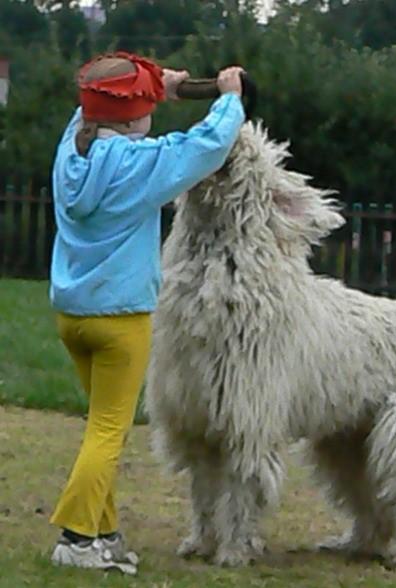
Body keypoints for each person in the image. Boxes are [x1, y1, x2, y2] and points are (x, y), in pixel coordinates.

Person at [48, 51, 246, 575]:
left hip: (72, 313)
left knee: (99, 426)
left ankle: (104, 531)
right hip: (120, 317)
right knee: (109, 431)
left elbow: (93, 110)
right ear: (137, 116)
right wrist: (229, 98)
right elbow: (203, 146)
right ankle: (75, 538)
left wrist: (163, 86)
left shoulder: (72, 151)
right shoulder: (139, 164)